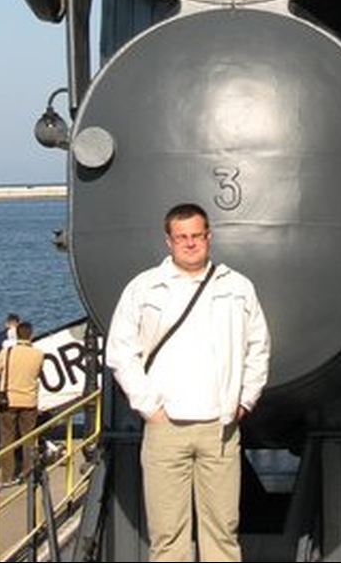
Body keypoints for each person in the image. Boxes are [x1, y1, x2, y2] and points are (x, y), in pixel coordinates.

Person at [105, 202, 271, 563]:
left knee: (223, 532)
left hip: (220, 427)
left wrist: (244, 400)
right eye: (182, 237)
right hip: (166, 426)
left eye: (197, 235)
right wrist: (150, 408)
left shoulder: (237, 287)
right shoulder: (145, 288)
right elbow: (120, 351)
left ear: (209, 237)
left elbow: (258, 347)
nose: (190, 243)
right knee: (167, 537)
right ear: (168, 241)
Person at [0, 320, 45, 484]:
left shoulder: (7, 352)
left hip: (9, 400)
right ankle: (27, 473)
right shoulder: (38, 354)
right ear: (31, 335)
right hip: (29, 400)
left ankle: (7, 476)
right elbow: (38, 373)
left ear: (16, 335)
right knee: (28, 438)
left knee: (7, 439)